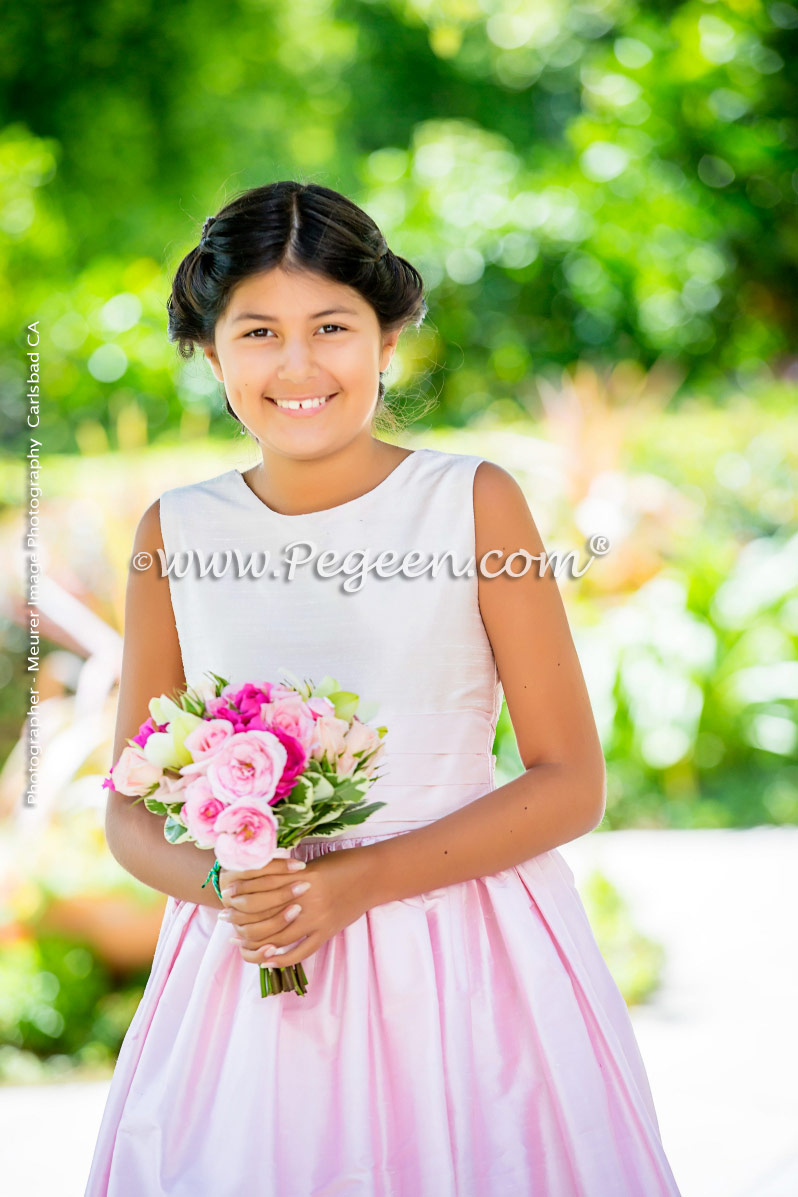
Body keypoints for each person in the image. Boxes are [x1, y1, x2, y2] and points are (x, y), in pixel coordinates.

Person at [85, 180, 682, 1196]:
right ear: (209, 349)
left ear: (389, 336)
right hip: (253, 977)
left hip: (464, 965)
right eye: (259, 331)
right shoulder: (173, 534)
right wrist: (234, 886)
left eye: (333, 326)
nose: (300, 364)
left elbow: (570, 780)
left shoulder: (472, 504)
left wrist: (353, 883)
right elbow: (132, 805)